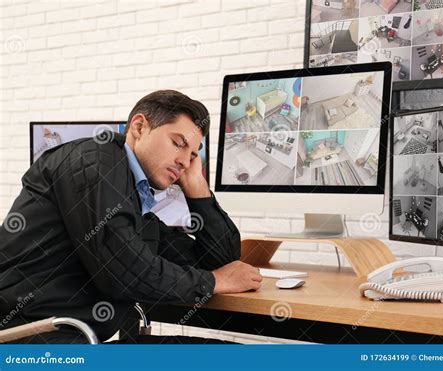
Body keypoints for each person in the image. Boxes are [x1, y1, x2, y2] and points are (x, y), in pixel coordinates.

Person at [0, 90, 262, 344]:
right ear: (139, 127)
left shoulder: (134, 202)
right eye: (178, 143)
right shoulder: (95, 161)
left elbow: (223, 261)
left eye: (192, 155)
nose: (184, 161)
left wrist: (198, 192)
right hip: (28, 344)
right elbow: (125, 271)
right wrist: (214, 281)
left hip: (72, 340)